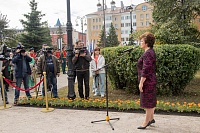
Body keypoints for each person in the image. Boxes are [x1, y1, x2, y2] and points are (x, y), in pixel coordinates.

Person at [137, 32, 157, 129]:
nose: (140, 43)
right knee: (150, 100)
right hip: (150, 80)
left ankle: (146, 122)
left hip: (148, 81)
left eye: (141, 41)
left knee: (148, 103)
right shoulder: (149, 52)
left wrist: (141, 83)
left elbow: (146, 69)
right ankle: (151, 118)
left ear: (146, 43)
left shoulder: (148, 53)